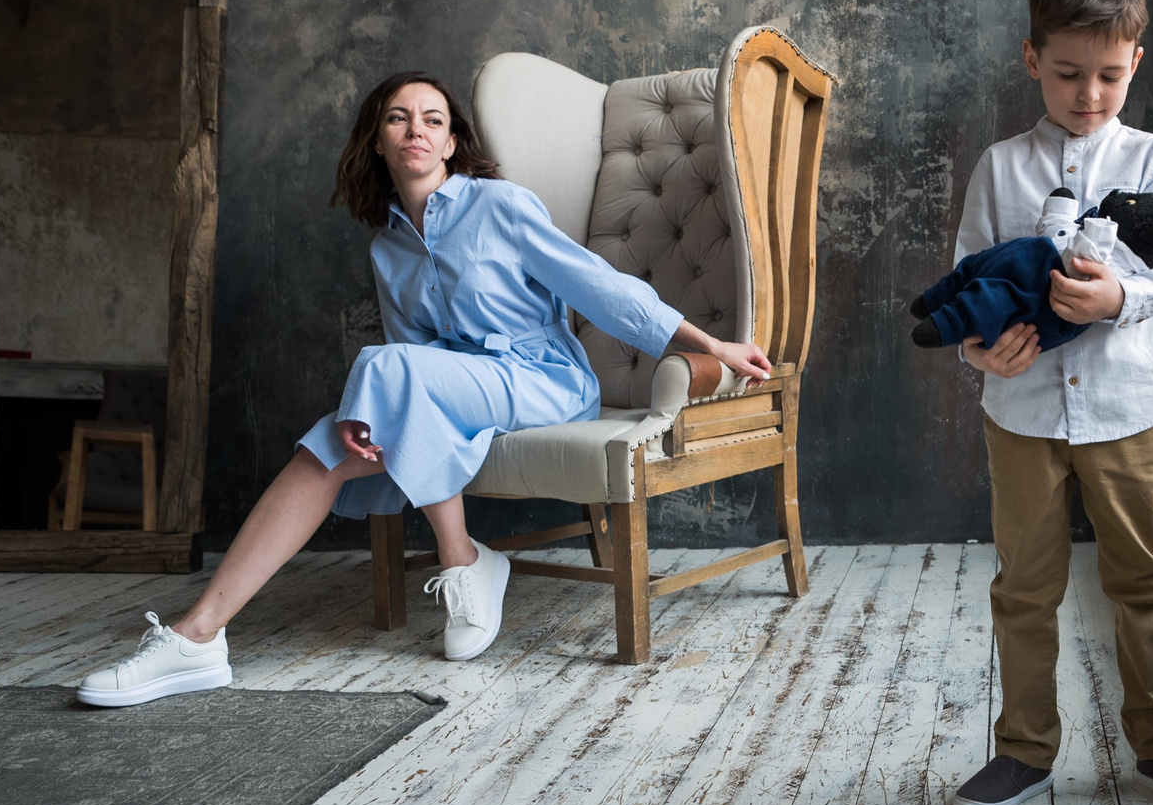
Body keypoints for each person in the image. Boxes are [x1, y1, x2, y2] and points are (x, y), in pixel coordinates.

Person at [76, 71, 769, 707]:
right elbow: (418, 353)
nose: (417, 130)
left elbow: (599, 286)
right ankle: (198, 635)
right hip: (450, 390)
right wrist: (372, 411)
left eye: (434, 120)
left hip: (544, 380)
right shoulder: (388, 247)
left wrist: (710, 346)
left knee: (386, 373)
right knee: (325, 450)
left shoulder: (499, 205)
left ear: (452, 142)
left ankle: (461, 558)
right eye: (399, 118)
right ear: (377, 141)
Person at [946, 0, 1153, 805]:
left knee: (1143, 578)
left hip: (1133, 405)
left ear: (1134, 63)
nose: (1088, 95)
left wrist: (1117, 297)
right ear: (1033, 59)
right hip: (1022, 410)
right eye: (1069, 74)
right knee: (1024, 587)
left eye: (1109, 75)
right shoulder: (1000, 166)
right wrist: (976, 352)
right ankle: (1024, 752)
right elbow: (967, 281)